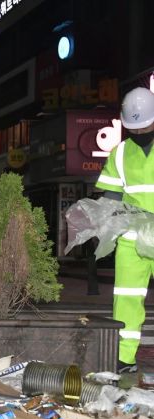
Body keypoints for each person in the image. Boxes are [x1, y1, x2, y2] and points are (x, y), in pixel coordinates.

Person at [95, 86, 154, 373]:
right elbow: (112, 195)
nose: (139, 132)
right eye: (134, 128)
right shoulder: (119, 154)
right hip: (132, 239)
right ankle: (123, 358)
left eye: (143, 126)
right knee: (127, 298)